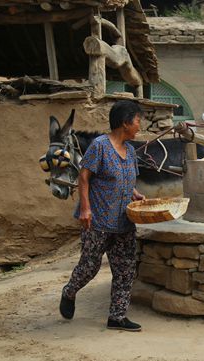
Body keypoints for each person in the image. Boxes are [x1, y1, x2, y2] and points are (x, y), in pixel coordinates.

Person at [59, 100, 145, 331]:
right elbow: (84, 177)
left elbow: (126, 181)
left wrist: (135, 194)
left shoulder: (130, 152)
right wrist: (85, 208)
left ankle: (117, 317)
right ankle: (69, 291)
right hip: (97, 221)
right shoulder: (100, 146)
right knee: (89, 267)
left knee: (126, 269)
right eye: (138, 121)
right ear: (126, 122)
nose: (139, 126)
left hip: (124, 222)